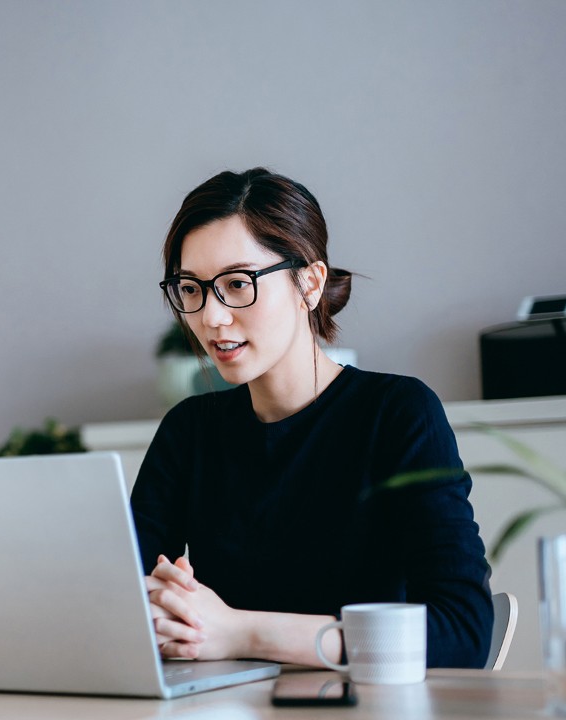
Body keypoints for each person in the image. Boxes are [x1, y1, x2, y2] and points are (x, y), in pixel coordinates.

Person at [130, 167, 492, 669]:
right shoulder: (189, 430)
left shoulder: (397, 413)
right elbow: (124, 606)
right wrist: (158, 605)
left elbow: (463, 631)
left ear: (310, 283)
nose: (210, 316)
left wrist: (240, 632)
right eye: (191, 289)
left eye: (238, 283)